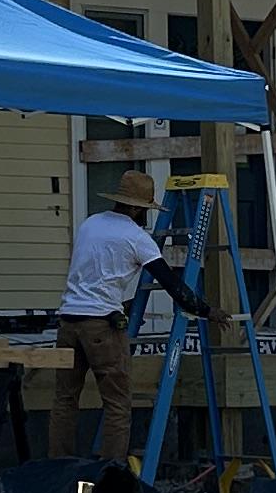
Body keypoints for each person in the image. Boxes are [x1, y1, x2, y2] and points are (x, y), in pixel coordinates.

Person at [54, 165, 200, 466]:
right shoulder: (136, 237)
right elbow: (171, 284)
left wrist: (124, 304)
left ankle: (57, 468)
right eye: (145, 209)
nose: (146, 215)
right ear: (136, 208)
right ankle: (111, 474)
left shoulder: (90, 224)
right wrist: (206, 309)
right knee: (117, 404)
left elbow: (95, 278)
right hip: (101, 326)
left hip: (68, 321)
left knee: (65, 400)